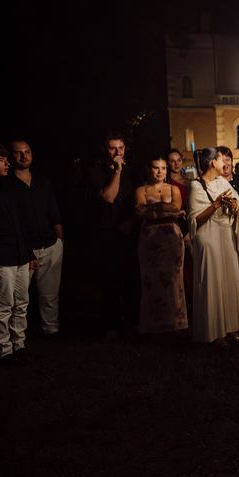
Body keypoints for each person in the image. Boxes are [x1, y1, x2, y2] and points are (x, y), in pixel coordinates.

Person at [187, 147, 239, 347]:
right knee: (212, 283)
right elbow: (195, 219)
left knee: (229, 281)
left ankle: (231, 328)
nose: (226, 164)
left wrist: (233, 207)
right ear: (213, 162)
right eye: (222, 160)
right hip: (209, 237)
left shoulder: (223, 182)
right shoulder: (197, 186)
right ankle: (214, 332)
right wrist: (215, 205)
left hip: (226, 235)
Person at [85, 131, 142, 338]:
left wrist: (132, 221)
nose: (117, 152)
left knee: (132, 279)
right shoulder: (95, 171)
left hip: (129, 231)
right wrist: (117, 171)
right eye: (112, 148)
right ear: (105, 150)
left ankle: (134, 321)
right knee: (110, 279)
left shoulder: (134, 173)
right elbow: (108, 197)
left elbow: (140, 203)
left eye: (121, 148)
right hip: (106, 233)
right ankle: (112, 324)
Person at [0, 144, 36, 364]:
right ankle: (3, 349)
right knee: (2, 305)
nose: (7, 163)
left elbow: (20, 225)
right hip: (1, 259)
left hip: (20, 256)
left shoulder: (8, 190)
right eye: (1, 159)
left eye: (7, 159)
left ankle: (19, 344)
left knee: (21, 302)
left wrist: (30, 254)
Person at [9, 139, 64, 337]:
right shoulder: (8, 185)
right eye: (18, 152)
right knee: (20, 295)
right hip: (24, 247)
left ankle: (51, 330)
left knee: (50, 293)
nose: (24, 156)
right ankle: (17, 335)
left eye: (27, 151)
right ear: (11, 156)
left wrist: (60, 240)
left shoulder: (42, 181)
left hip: (50, 244)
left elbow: (54, 211)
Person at [133, 157, 188, 336]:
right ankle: (153, 324)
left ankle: (175, 324)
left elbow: (176, 207)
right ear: (150, 169)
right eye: (156, 168)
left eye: (163, 168)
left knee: (173, 279)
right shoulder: (141, 189)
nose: (160, 172)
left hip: (171, 237)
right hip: (149, 237)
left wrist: (154, 208)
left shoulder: (174, 189)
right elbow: (140, 210)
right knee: (151, 278)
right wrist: (166, 208)